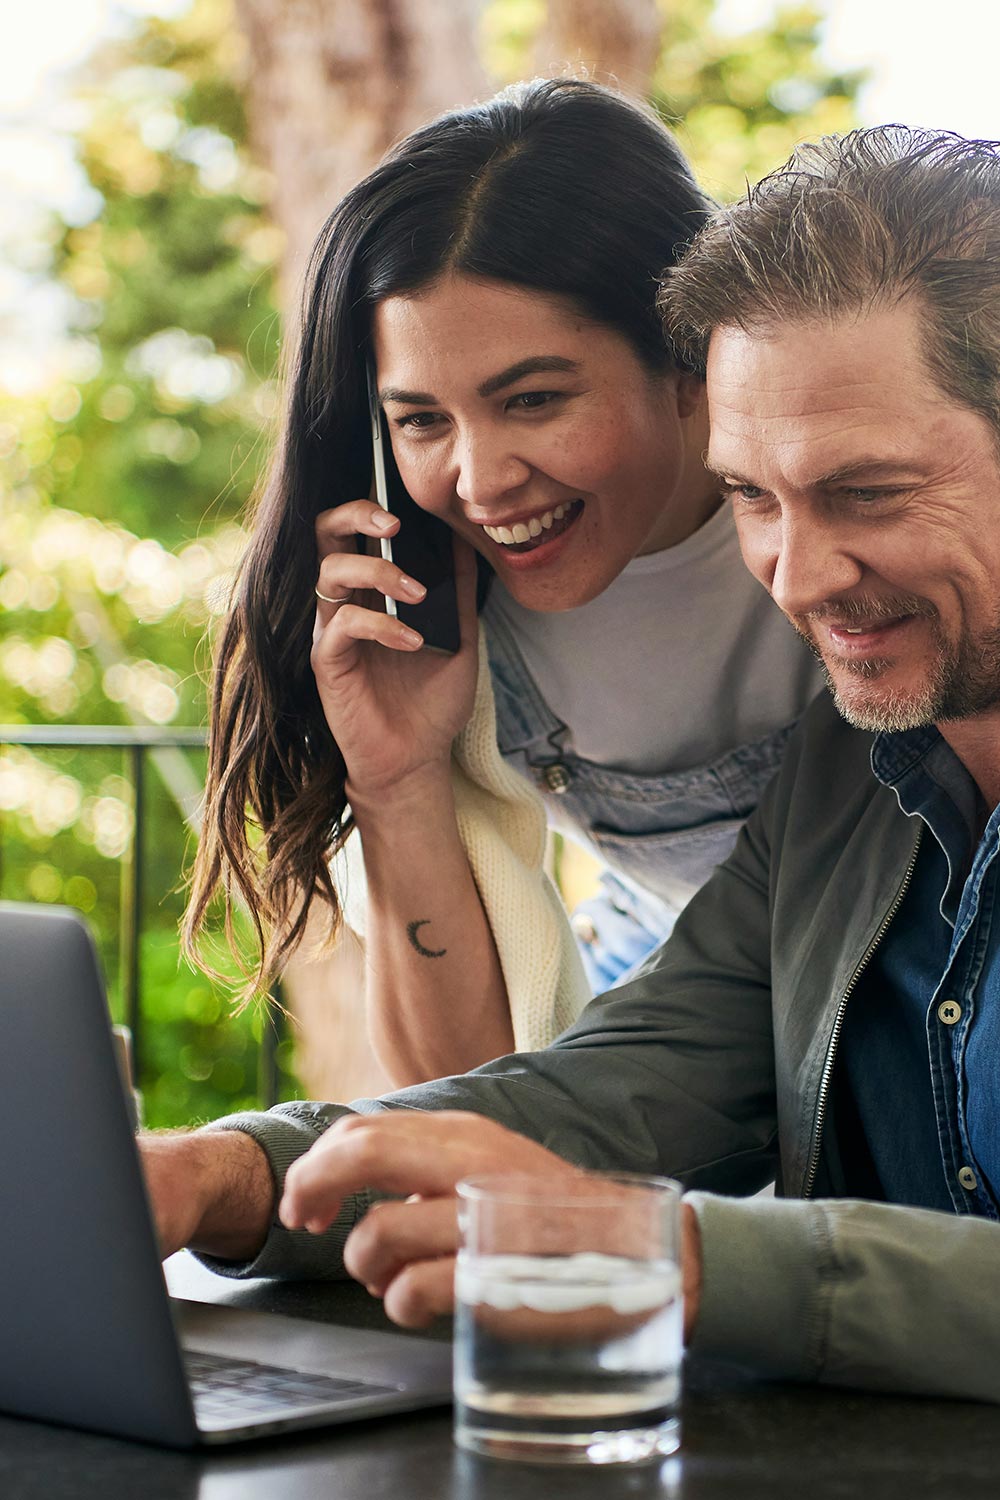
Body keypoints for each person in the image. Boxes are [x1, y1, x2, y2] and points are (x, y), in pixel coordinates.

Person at [143, 123, 1000, 1404]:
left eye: (867, 493)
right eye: (753, 500)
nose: (800, 581)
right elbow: (620, 1089)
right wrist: (227, 1176)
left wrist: (684, 1254)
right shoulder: (850, 763)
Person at [182, 77, 820, 1085]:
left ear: (685, 353)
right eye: (422, 420)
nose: (477, 483)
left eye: (531, 399)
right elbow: (460, 1093)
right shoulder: (438, 610)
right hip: (654, 993)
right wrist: (397, 782)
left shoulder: (838, 506)